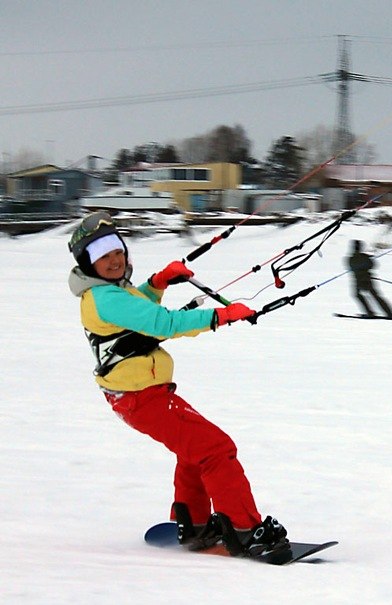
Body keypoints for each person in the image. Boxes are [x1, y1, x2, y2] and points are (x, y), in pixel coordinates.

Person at [67, 211, 288, 559]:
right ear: (88, 263)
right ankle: (245, 531)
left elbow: (136, 307)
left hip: (142, 394)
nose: (114, 260)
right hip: (139, 397)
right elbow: (162, 324)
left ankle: (194, 522)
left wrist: (157, 283)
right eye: (102, 256)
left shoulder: (111, 292)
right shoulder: (105, 299)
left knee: (195, 451)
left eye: (117, 251)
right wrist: (219, 317)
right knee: (216, 449)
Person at [346, 239, 392, 319]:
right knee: (375, 296)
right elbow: (373, 265)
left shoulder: (350, 258)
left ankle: (370, 312)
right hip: (367, 279)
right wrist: (367, 258)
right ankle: (389, 313)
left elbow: (351, 267)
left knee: (358, 295)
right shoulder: (363, 257)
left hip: (359, 280)